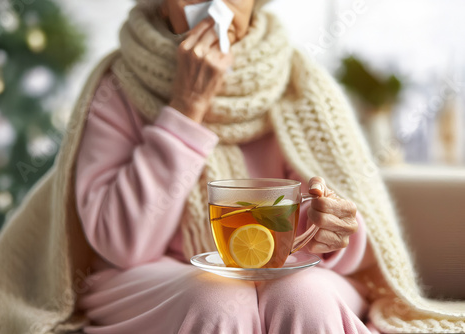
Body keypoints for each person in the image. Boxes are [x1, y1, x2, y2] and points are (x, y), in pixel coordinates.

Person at [73, 0, 378, 332]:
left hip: (292, 266)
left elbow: (367, 239)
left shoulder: (299, 81)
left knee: (304, 297)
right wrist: (186, 107)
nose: (216, 3)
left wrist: (328, 229)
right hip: (152, 275)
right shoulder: (120, 83)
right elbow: (123, 243)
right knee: (217, 298)